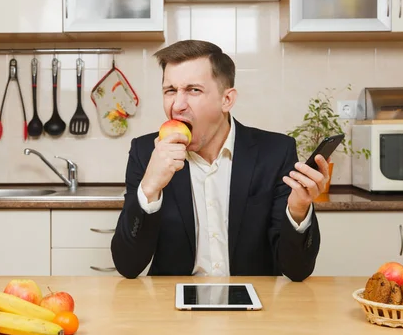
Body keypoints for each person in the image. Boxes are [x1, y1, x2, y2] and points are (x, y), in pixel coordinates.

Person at [111, 40, 329, 281]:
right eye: (170, 90)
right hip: (172, 305)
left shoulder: (275, 152)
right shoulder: (145, 153)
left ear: (227, 100)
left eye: (194, 90)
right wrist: (149, 188)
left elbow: (297, 271)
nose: (178, 105)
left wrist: (298, 210)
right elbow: (127, 266)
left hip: (257, 303)